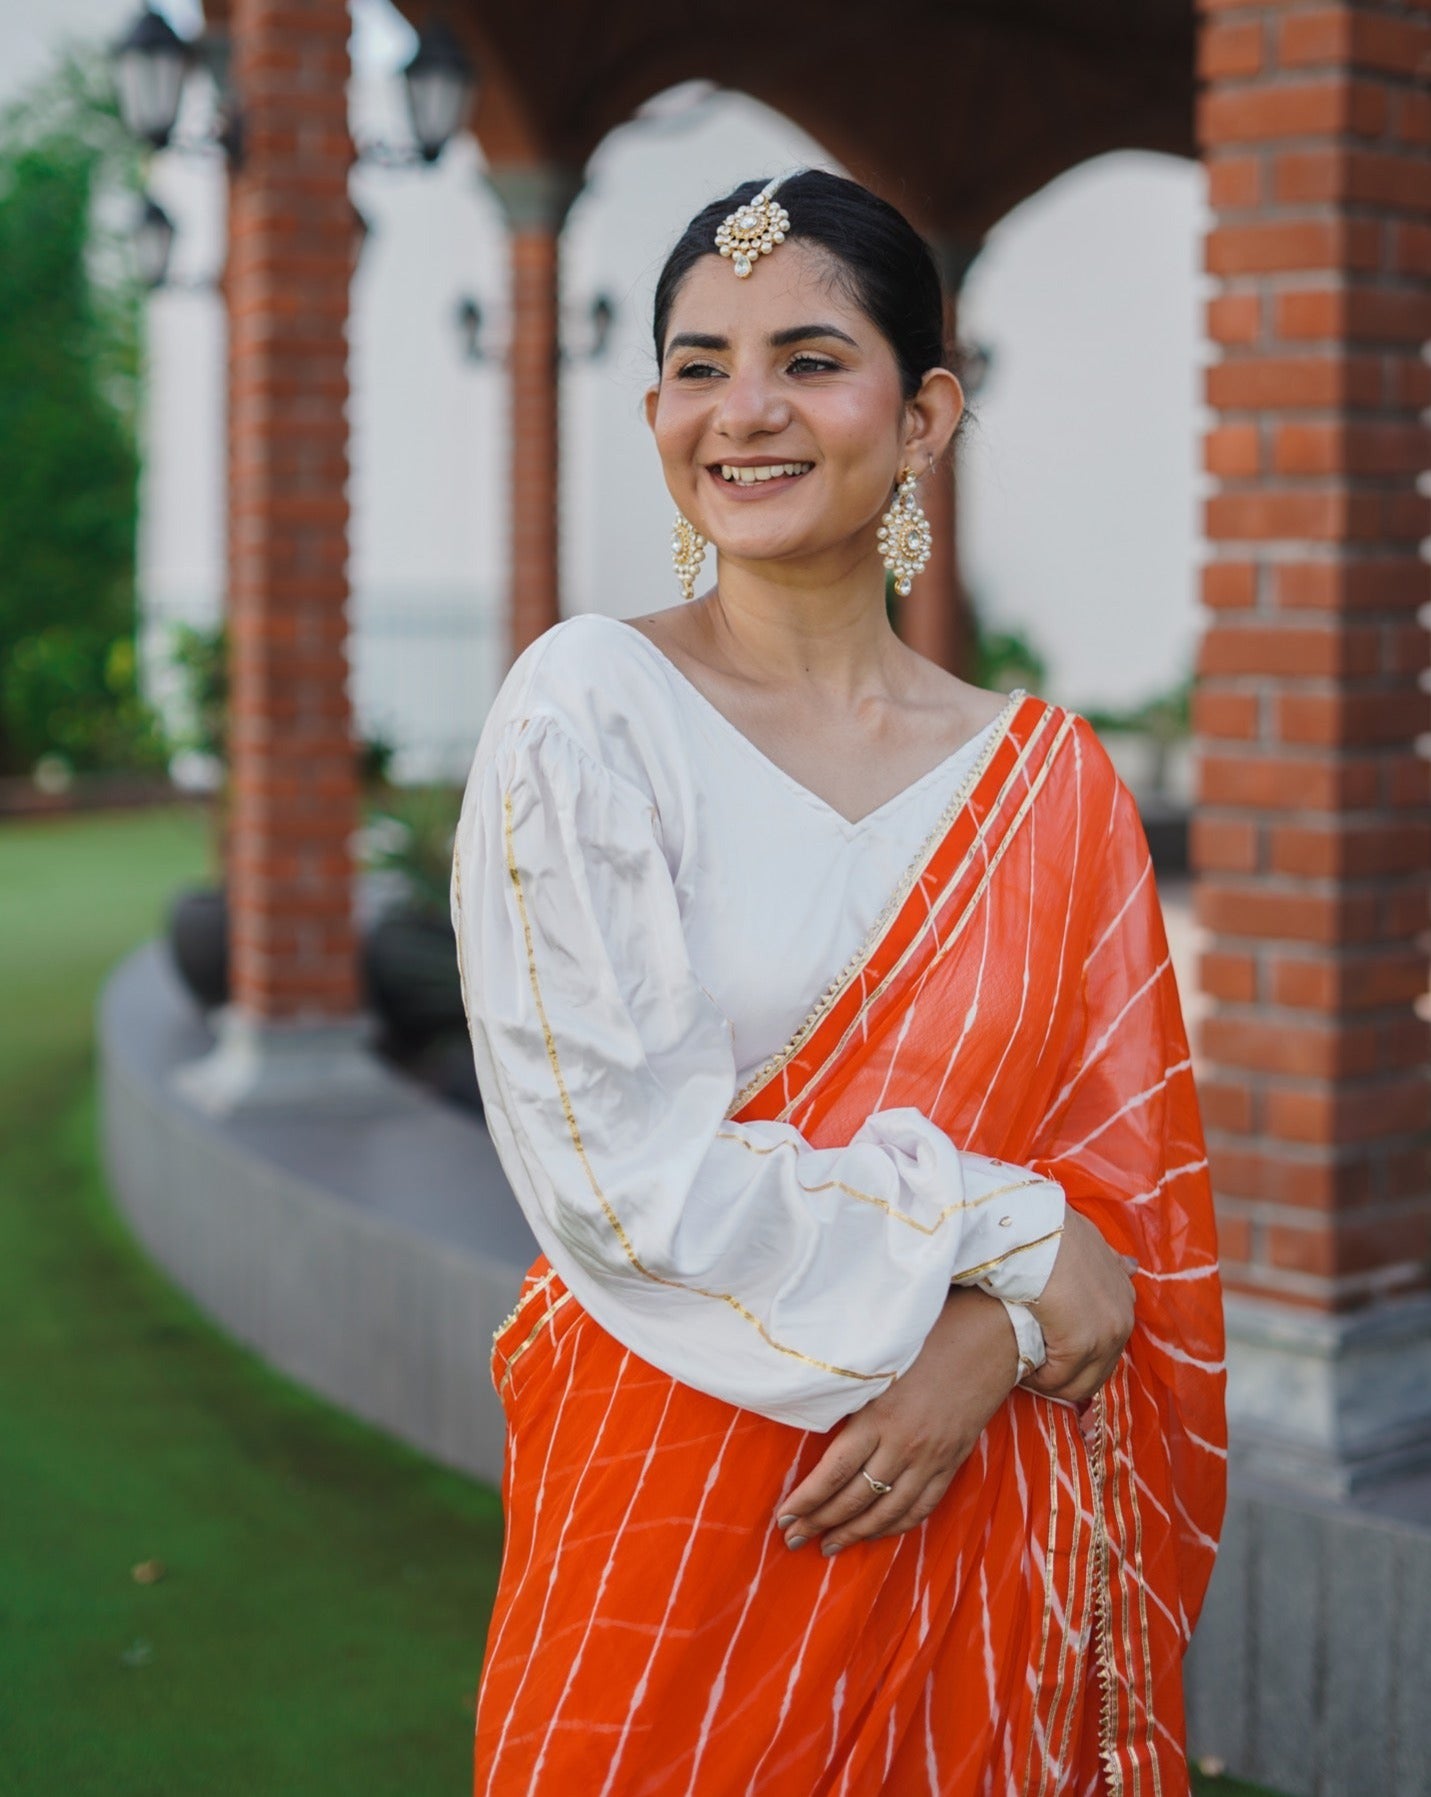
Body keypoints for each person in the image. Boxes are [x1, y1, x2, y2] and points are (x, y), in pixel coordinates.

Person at [453, 168, 1226, 1796]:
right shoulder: (590, 712)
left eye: (810, 357)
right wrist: (1005, 1249)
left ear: (926, 411)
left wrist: (986, 1349)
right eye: (697, 363)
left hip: (987, 1512)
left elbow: (1131, 1199)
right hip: (674, 1505)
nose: (744, 411)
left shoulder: (1047, 780)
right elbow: (626, 1181)